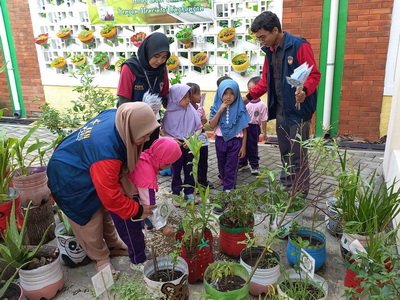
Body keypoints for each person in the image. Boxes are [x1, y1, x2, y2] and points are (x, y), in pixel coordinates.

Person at [47, 102, 159, 275]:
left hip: (84, 163)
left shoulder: (120, 117)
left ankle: (113, 244)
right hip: (69, 177)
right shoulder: (107, 154)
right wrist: (138, 210)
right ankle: (101, 258)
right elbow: (111, 197)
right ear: (131, 129)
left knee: (104, 212)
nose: (146, 140)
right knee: (89, 222)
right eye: (144, 136)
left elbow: (109, 196)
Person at [243, 11, 321, 196]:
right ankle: (286, 188)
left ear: (275, 30)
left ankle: (300, 193)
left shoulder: (298, 45)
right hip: (280, 110)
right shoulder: (269, 52)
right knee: (285, 151)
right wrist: (247, 97)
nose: (261, 41)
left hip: (298, 111)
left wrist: (306, 91)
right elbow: (264, 81)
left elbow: (314, 75)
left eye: (263, 37)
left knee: (298, 154)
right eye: (258, 38)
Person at [110, 137, 181, 269]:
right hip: (122, 204)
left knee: (136, 231)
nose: (170, 167)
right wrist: (163, 226)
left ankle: (139, 251)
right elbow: (149, 206)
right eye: (170, 164)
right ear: (163, 162)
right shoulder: (146, 174)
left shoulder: (144, 156)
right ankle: (137, 261)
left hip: (126, 198)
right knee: (132, 234)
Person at [116, 32, 171, 149]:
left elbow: (165, 95)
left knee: (150, 154)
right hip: (133, 122)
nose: (160, 61)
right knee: (134, 156)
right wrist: (131, 126)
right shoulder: (130, 67)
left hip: (153, 121)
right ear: (148, 51)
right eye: (156, 56)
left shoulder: (162, 70)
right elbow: (124, 100)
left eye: (164, 57)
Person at [209, 79, 251, 213]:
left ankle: (226, 197)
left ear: (237, 94)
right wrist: (220, 109)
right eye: (225, 93)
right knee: (222, 167)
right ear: (220, 93)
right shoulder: (216, 106)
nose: (228, 96)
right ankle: (227, 186)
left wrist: (243, 147)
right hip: (220, 141)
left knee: (231, 169)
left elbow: (244, 129)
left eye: (231, 93)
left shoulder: (240, 108)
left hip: (235, 142)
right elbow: (211, 124)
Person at [162, 84, 201, 205]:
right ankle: (176, 193)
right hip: (175, 146)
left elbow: (199, 128)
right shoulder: (169, 113)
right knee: (176, 170)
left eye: (189, 97)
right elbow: (164, 131)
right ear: (175, 97)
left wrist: (191, 139)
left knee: (189, 169)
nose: (188, 100)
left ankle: (189, 192)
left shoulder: (191, 110)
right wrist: (173, 139)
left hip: (189, 145)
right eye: (185, 97)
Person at [238, 76, 268, 175]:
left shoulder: (262, 105)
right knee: (242, 146)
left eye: (252, 89)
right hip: (243, 128)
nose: (250, 91)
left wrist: (264, 133)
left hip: (254, 128)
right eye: (249, 89)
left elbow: (264, 120)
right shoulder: (245, 102)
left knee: (252, 147)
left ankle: (254, 165)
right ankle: (242, 163)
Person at [187, 82, 213, 188]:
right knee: (192, 160)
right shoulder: (185, 109)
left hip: (201, 136)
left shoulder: (200, 108)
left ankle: (203, 180)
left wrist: (203, 120)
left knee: (203, 159)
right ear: (190, 96)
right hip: (190, 136)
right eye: (197, 94)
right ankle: (192, 182)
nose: (199, 96)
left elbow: (204, 120)